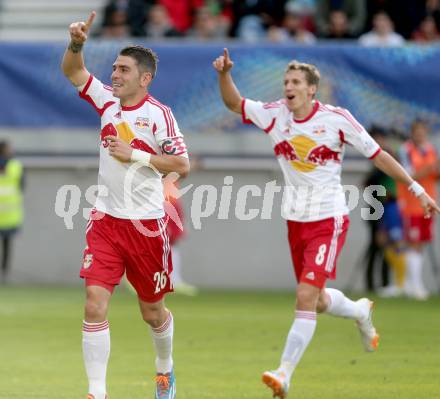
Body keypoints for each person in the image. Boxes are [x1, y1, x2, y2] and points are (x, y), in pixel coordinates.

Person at [212, 48, 440, 398]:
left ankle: (284, 373)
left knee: (304, 294)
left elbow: (378, 155)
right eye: (286, 81)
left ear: (311, 89)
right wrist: (224, 75)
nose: (288, 86)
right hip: (295, 219)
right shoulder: (274, 115)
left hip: (328, 218)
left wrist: (415, 188)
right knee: (315, 300)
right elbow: (234, 104)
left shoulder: (337, 119)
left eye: (295, 82)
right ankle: (359, 310)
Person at [62, 11, 189, 399]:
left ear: (144, 78)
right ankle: (97, 392)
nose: (114, 75)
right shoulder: (106, 103)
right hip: (105, 221)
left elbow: (181, 165)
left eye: (123, 69)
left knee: (152, 313)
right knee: (94, 305)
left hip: (147, 227)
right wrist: (77, 44)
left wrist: (135, 155)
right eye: (114, 68)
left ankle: (165, 371)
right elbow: (73, 72)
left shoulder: (159, 116)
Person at [397, 119, 438, 300]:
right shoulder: (405, 150)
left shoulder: (430, 149)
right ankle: (414, 285)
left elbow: (434, 175)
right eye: (417, 131)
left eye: (423, 131)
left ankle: (411, 283)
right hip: (411, 203)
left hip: (428, 201)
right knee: (413, 242)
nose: (420, 134)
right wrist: (428, 168)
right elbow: (408, 176)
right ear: (412, 132)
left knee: (420, 243)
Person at [0, 141, 24, 284]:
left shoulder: (16, 166)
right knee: (7, 246)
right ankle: (4, 274)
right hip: (9, 215)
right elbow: (22, 186)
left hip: (9, 215)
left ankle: (4, 274)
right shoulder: (16, 166)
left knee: (7, 245)